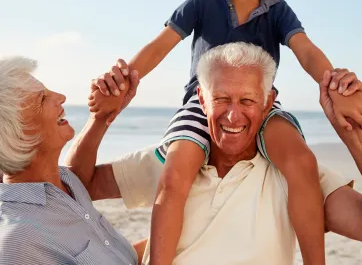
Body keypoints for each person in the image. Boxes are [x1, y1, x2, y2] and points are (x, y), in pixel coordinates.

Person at [89, 0, 362, 264]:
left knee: (301, 161)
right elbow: (160, 46)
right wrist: (124, 79)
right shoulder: (204, 2)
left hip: (259, 103)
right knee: (174, 176)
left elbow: (306, 51)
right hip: (203, 104)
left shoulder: (279, 11)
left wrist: (334, 82)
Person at [67, 42, 362, 265]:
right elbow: (72, 186)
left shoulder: (295, 175)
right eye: (221, 99)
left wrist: (352, 135)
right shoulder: (169, 160)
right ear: (201, 100)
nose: (233, 116)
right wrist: (99, 120)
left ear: (268, 101)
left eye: (247, 100)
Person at [0, 56, 143, 265]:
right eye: (42, 99)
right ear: (19, 135)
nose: (62, 97)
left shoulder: (67, 181)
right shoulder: (18, 243)